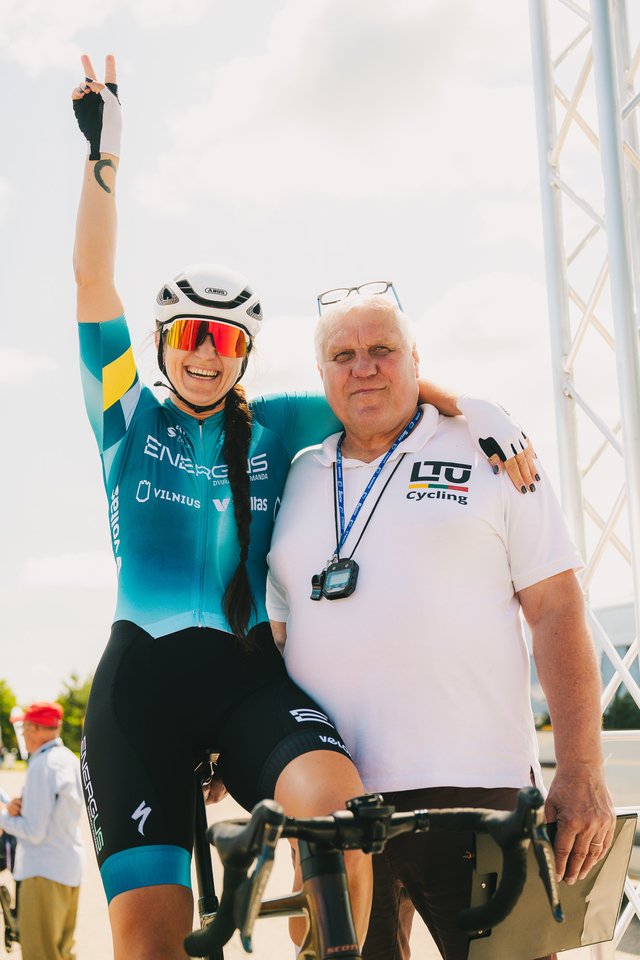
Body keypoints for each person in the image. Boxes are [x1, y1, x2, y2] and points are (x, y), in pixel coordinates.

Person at [71, 55, 537, 959]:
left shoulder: (278, 425)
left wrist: (477, 410)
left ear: (245, 353)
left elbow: (380, 390)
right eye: (190, 334)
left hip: (245, 678)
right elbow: (92, 280)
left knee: (343, 812)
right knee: (150, 944)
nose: (206, 354)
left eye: (226, 340)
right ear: (164, 342)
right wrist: (104, 158)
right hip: (142, 694)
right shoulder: (125, 418)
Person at [266, 291, 617, 960]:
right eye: (343, 355)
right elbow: (276, 640)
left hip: (479, 792)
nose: (363, 367)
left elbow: (556, 606)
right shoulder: (296, 477)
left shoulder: (494, 451)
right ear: (321, 375)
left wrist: (581, 766)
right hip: (335, 808)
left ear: (416, 361)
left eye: (382, 350)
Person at [0, 702, 84, 960]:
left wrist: (3, 819)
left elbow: (33, 831)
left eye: (24, 729)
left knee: (40, 954)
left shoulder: (42, 765)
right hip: (68, 870)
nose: (23, 736)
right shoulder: (69, 759)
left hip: (42, 873)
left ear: (35, 729)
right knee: (63, 952)